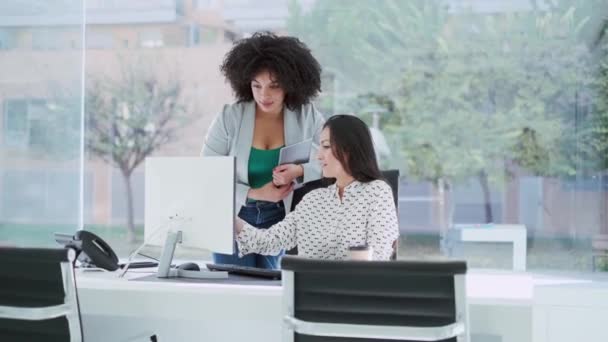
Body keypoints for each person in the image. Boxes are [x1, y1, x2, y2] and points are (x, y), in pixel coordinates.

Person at [201, 32, 325, 269]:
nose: (264, 95)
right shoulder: (230, 117)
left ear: (290, 84)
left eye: (274, 86)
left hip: (283, 219)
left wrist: (299, 170)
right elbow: (207, 174)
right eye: (256, 85)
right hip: (233, 217)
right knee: (233, 286)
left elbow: (331, 160)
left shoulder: (307, 116)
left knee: (272, 289)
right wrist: (255, 194)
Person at [235, 115, 400, 261]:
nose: (318, 155)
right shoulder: (313, 200)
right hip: (308, 291)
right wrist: (229, 219)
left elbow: (378, 257)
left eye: (326, 146)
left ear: (349, 149)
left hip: (353, 292)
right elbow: (268, 241)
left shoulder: (377, 192)